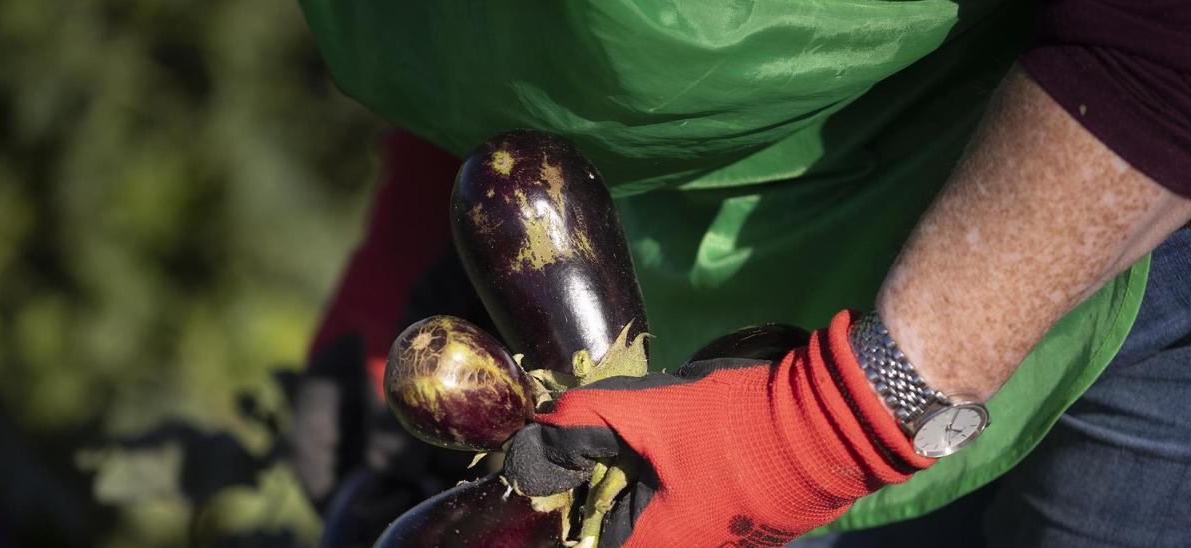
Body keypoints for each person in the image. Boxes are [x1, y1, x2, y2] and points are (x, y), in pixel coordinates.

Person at [292, 0, 1191, 545]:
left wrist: (824, 430)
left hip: (1101, 201)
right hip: (685, 255)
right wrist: (425, 224)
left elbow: (1161, 49)